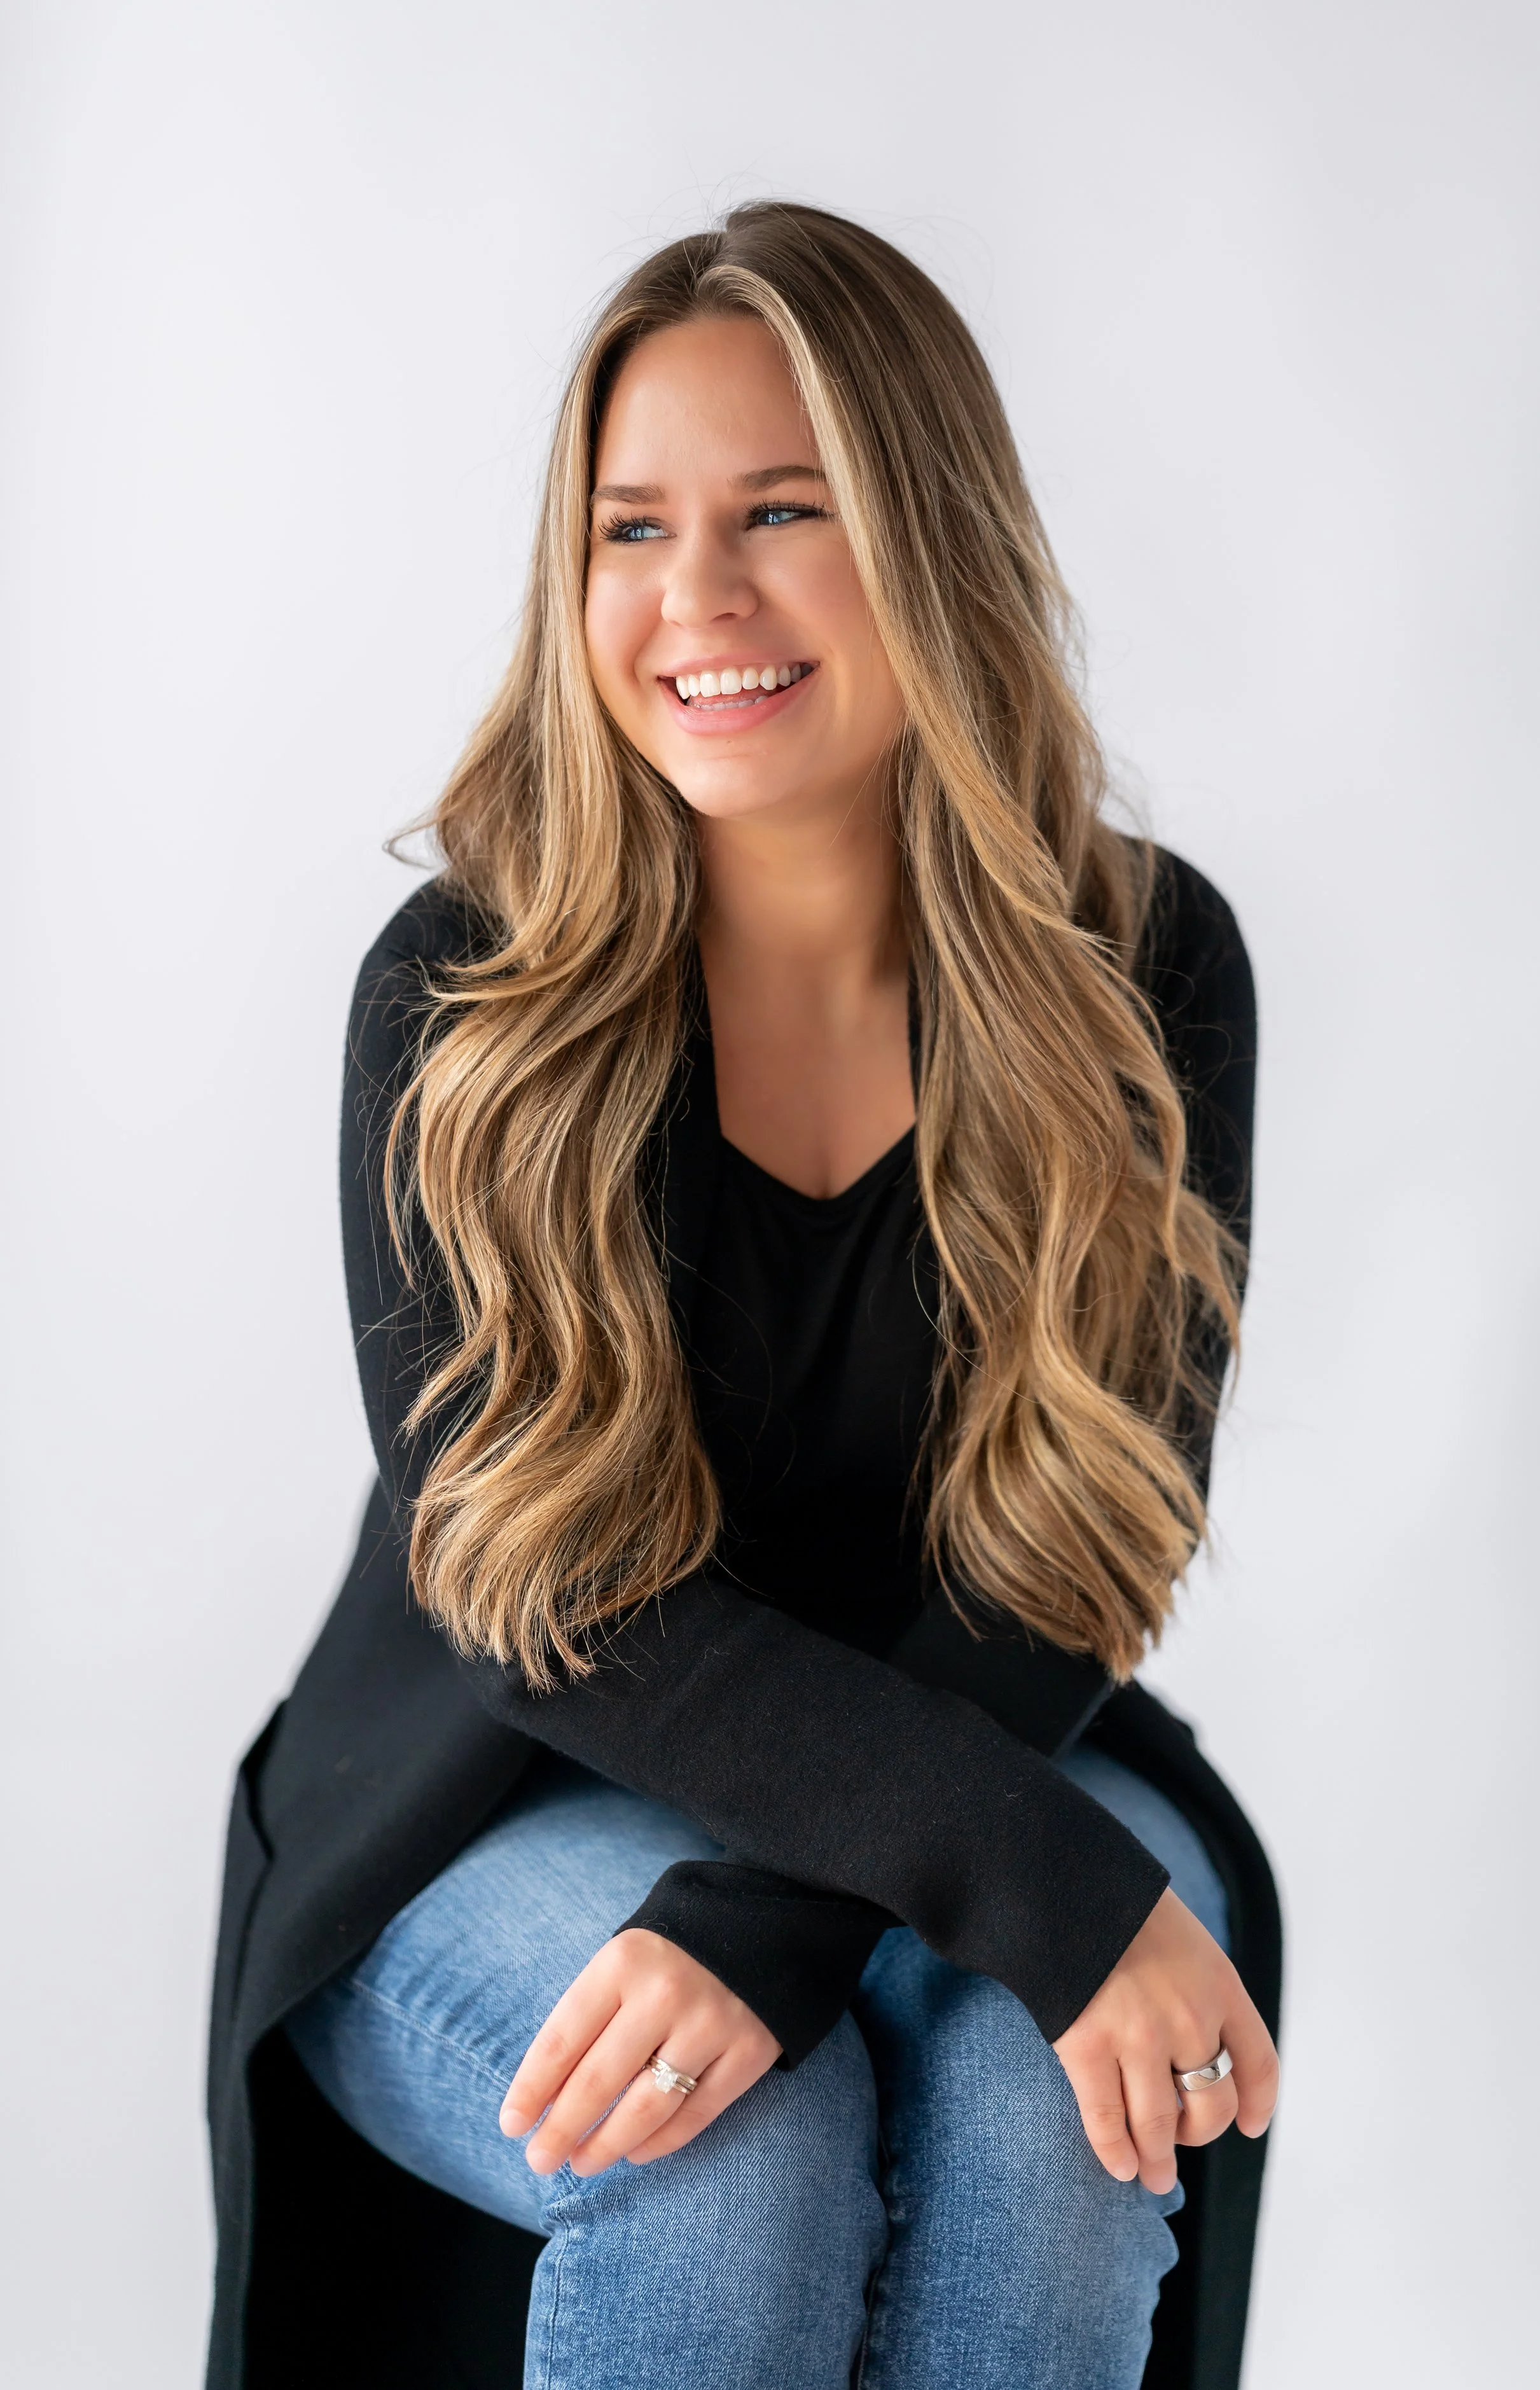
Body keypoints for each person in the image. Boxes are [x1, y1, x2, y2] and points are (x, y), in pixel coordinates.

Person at [207, 200, 1279, 2390]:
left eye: (782, 512)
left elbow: (1088, 1536)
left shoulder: (1142, 969)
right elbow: (538, 1589)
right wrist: (1012, 1893)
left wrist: (808, 1913)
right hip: (495, 1777)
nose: (695, 596)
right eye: (631, 527)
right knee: (727, 2145)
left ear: (929, 537)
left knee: (1043, 2106)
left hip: (999, 1727)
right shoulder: (462, 1004)